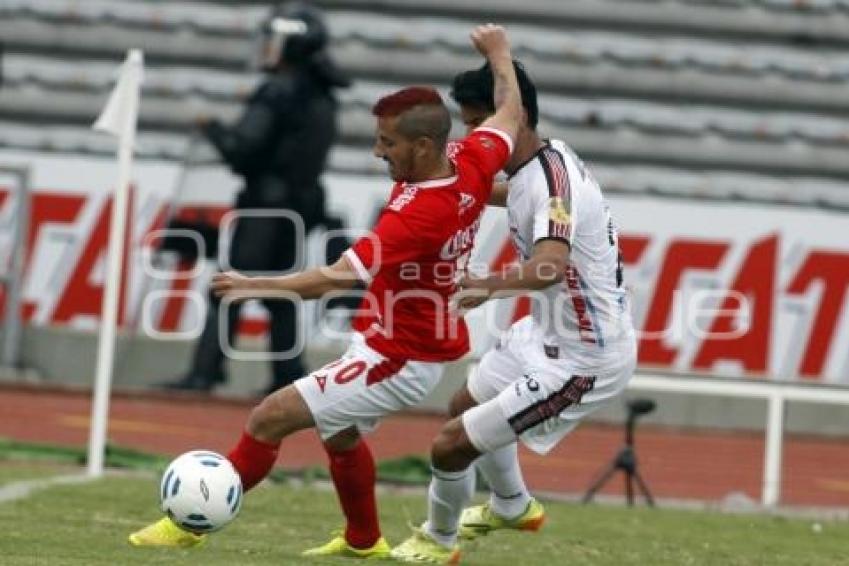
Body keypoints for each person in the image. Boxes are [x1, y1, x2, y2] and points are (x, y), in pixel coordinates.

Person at [128, 24, 524, 560]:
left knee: (269, 416)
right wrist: (500, 56)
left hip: (400, 354)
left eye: (388, 142)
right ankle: (364, 540)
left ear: (425, 146)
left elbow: (336, 277)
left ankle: (190, 524)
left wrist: (252, 284)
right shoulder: (472, 158)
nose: (378, 151)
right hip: (397, 340)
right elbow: (509, 115)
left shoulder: (418, 215)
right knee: (338, 436)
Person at [390, 61, 637, 564]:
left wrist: (488, 286)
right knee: (462, 407)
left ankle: (438, 542)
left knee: (449, 446)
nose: (472, 135)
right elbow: (504, 194)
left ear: (511, 118)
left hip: (584, 359)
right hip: (543, 333)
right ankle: (511, 504)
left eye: (477, 122)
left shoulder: (551, 181)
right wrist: (452, 194)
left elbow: (549, 266)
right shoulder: (536, 166)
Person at [164, 2, 351, 394]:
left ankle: (204, 372)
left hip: (265, 208)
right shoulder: (323, 96)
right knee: (280, 294)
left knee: (231, 288)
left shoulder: (278, 91)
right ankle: (287, 377)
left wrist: (211, 128)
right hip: (299, 207)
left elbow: (244, 147)